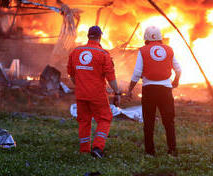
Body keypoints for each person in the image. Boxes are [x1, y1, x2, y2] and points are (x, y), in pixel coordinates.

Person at [67, 25, 120, 158]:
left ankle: (84, 149)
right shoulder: (103, 54)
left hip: (81, 94)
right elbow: (110, 76)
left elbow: (71, 74)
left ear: (88, 36)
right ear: (100, 36)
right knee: (104, 118)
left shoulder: (76, 52)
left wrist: (80, 85)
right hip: (97, 95)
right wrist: (117, 92)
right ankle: (97, 147)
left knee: (84, 121)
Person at [127, 26, 181, 156]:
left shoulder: (143, 50)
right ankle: (172, 151)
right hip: (166, 91)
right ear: (160, 37)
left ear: (146, 38)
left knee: (149, 122)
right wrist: (175, 81)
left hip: (149, 90)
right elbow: (178, 69)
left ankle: (150, 152)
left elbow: (137, 73)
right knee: (169, 121)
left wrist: (130, 89)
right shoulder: (169, 50)